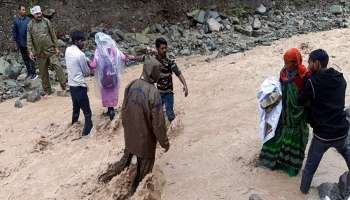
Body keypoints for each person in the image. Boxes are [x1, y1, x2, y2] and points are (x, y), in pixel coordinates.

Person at [99, 56, 170, 194]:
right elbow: (158, 124)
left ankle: (104, 179)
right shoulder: (153, 93)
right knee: (142, 177)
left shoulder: (131, 85)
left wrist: (127, 130)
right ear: (154, 73)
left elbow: (124, 112)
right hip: (145, 141)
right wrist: (164, 142)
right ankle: (131, 195)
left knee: (125, 162)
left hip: (130, 136)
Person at [299, 49, 350, 194]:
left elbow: (301, 100)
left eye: (310, 62)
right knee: (347, 153)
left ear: (317, 63)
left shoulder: (313, 82)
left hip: (322, 135)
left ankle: (302, 192)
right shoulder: (340, 79)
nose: (308, 66)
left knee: (309, 167)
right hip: (341, 131)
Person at [257, 48, 310, 176]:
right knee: (277, 135)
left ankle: (290, 168)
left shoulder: (304, 74)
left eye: (288, 62)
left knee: (295, 139)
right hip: (284, 112)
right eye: (284, 62)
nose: (285, 65)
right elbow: (280, 88)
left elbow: (308, 94)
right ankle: (270, 161)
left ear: (296, 62)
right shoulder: (284, 72)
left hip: (297, 114)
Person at [90, 32, 143, 120]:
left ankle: (109, 109)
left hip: (104, 77)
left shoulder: (98, 50)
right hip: (113, 75)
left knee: (106, 92)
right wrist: (131, 57)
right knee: (113, 91)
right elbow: (123, 57)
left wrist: (88, 63)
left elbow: (94, 65)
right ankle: (112, 109)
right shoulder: (113, 49)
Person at [27, 5, 67, 95]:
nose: (39, 15)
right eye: (37, 14)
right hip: (39, 53)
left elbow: (53, 35)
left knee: (58, 67)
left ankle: (64, 85)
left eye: (40, 13)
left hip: (50, 50)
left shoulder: (46, 21)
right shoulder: (30, 25)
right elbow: (29, 39)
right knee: (43, 73)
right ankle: (47, 91)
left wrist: (56, 47)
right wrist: (30, 51)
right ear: (33, 15)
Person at [65, 31, 93, 136]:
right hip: (80, 86)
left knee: (76, 108)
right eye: (82, 41)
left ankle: (73, 125)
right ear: (77, 41)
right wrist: (90, 65)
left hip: (72, 85)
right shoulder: (80, 54)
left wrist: (86, 59)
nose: (84, 43)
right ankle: (86, 133)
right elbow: (86, 72)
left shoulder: (68, 50)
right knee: (87, 112)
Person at [155, 38, 188, 122]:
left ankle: (173, 131)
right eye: (162, 48)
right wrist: (131, 57)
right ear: (157, 49)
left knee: (170, 115)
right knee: (156, 116)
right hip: (158, 93)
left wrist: (185, 85)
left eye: (165, 48)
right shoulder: (153, 59)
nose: (164, 50)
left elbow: (178, 73)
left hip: (168, 92)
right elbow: (144, 61)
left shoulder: (169, 60)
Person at [12, 4, 38, 80]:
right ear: (19, 11)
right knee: (25, 59)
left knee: (31, 58)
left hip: (28, 43)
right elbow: (14, 32)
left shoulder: (28, 20)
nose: (24, 11)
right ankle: (29, 72)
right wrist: (15, 43)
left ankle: (34, 73)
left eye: (25, 10)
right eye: (23, 10)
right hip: (21, 43)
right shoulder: (16, 20)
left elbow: (33, 31)